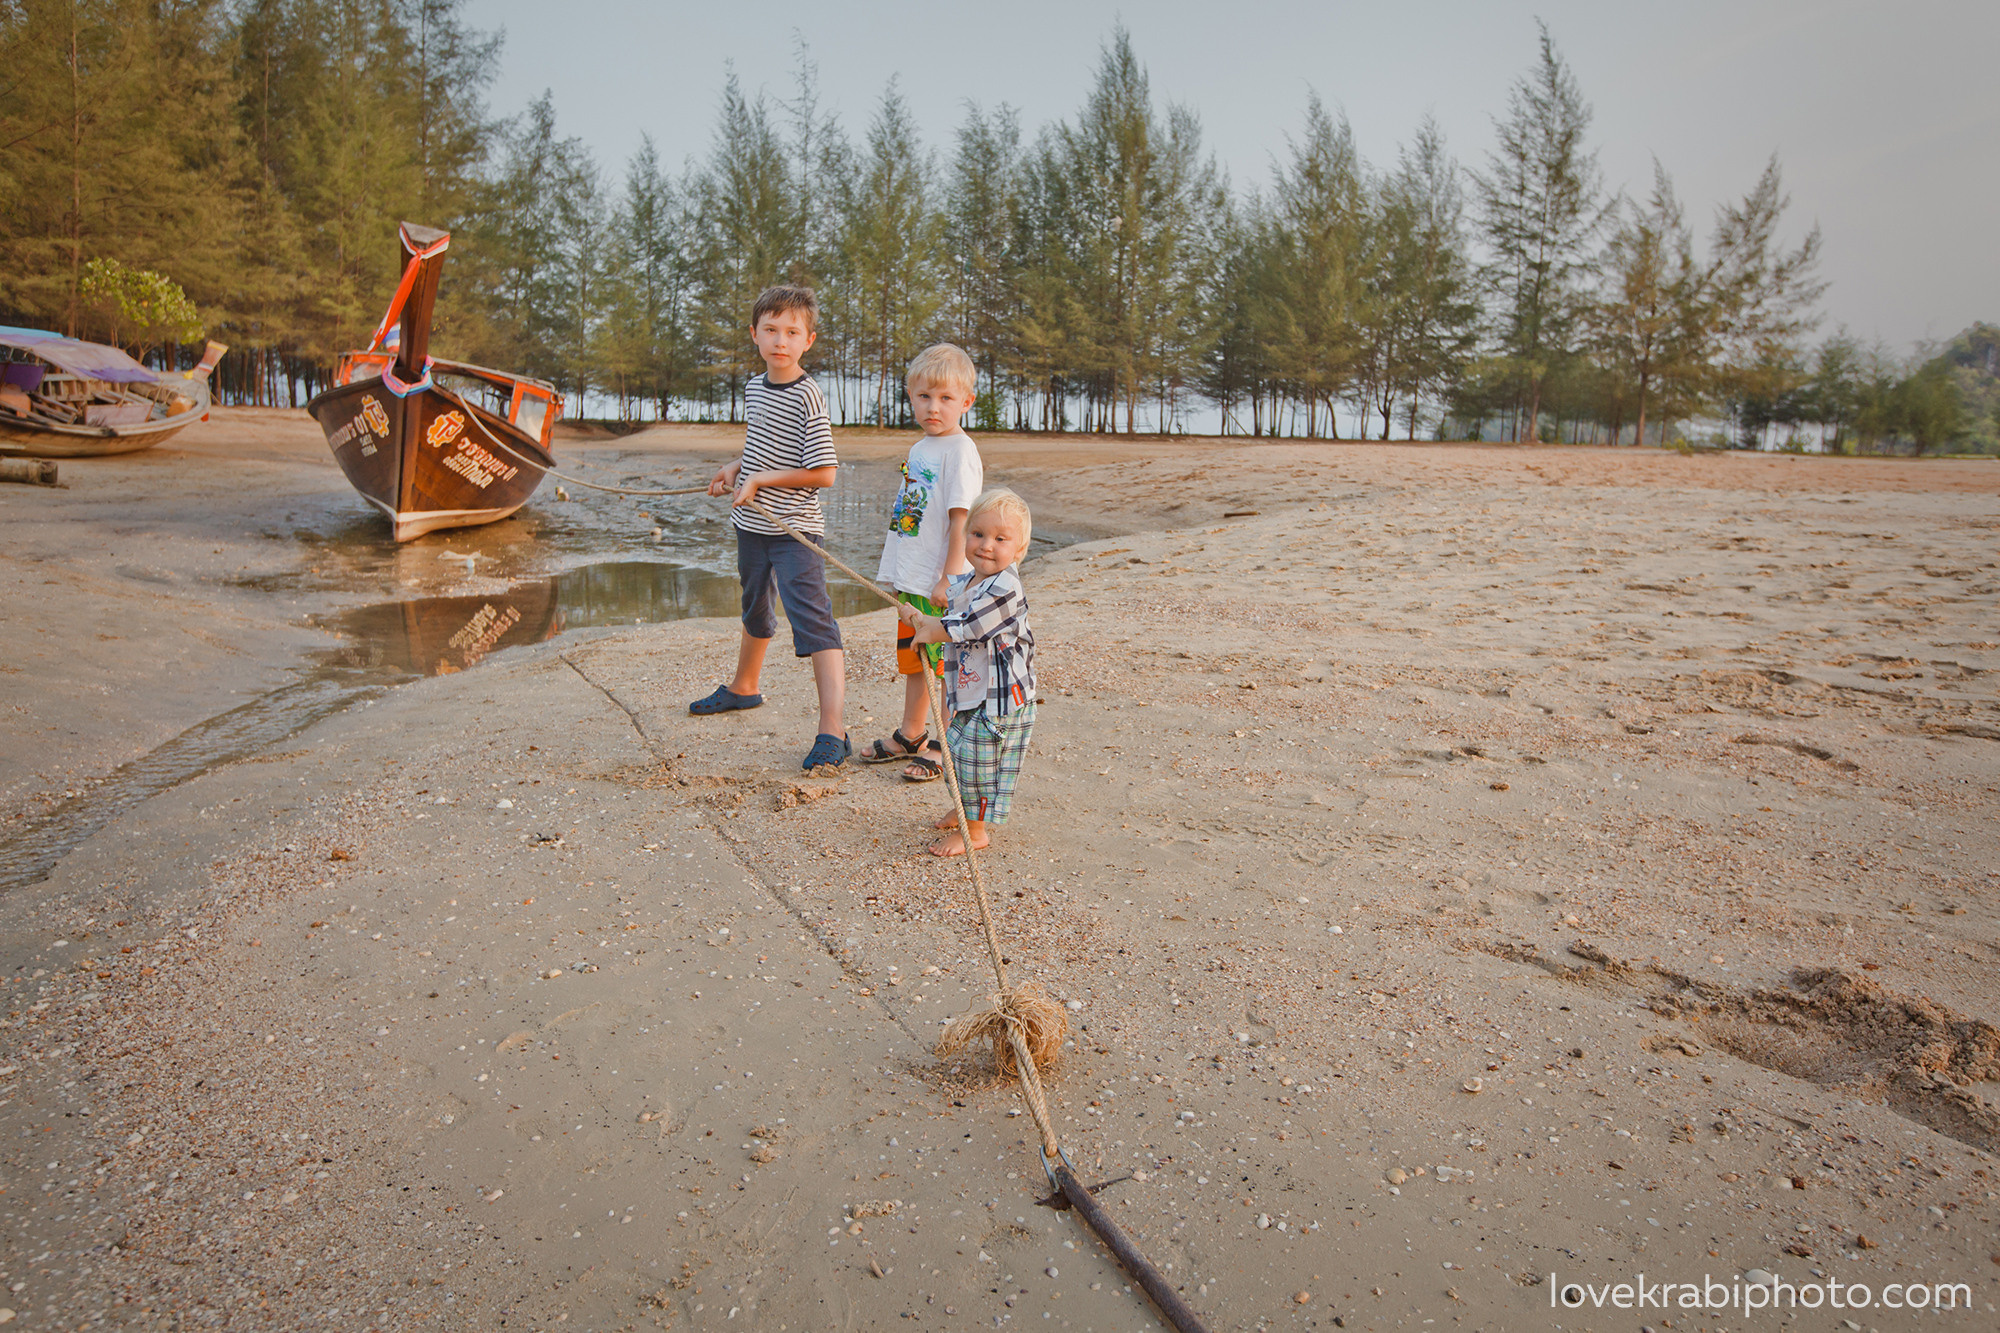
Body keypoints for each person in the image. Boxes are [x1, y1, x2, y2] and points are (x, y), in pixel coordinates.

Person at [688, 285, 848, 771]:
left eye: (792, 332)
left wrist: (762, 479)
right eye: (771, 330)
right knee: (754, 605)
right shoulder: (756, 388)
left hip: (794, 529)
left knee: (812, 620)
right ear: (754, 334)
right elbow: (764, 443)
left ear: (809, 340)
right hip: (751, 523)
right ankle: (744, 687)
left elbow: (824, 472)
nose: (781, 340)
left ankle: (833, 728)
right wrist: (737, 468)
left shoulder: (808, 394)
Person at [858, 343, 984, 782]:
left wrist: (949, 580)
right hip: (912, 576)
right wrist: (894, 573)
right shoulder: (919, 448)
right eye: (924, 397)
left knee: (943, 663)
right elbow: (908, 516)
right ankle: (912, 732)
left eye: (946, 398)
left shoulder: (960, 452)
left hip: (939, 581)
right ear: (910, 396)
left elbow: (960, 519)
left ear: (966, 402)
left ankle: (945, 744)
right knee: (914, 657)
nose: (934, 407)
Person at [898, 488, 1036, 857]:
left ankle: (974, 830)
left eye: (1000, 539)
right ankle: (963, 811)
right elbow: (950, 615)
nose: (986, 545)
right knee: (957, 753)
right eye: (977, 534)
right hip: (973, 692)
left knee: (977, 764)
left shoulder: (1005, 587)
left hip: (1000, 701)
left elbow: (968, 625)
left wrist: (932, 628)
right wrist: (923, 619)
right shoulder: (972, 581)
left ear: (1018, 550)